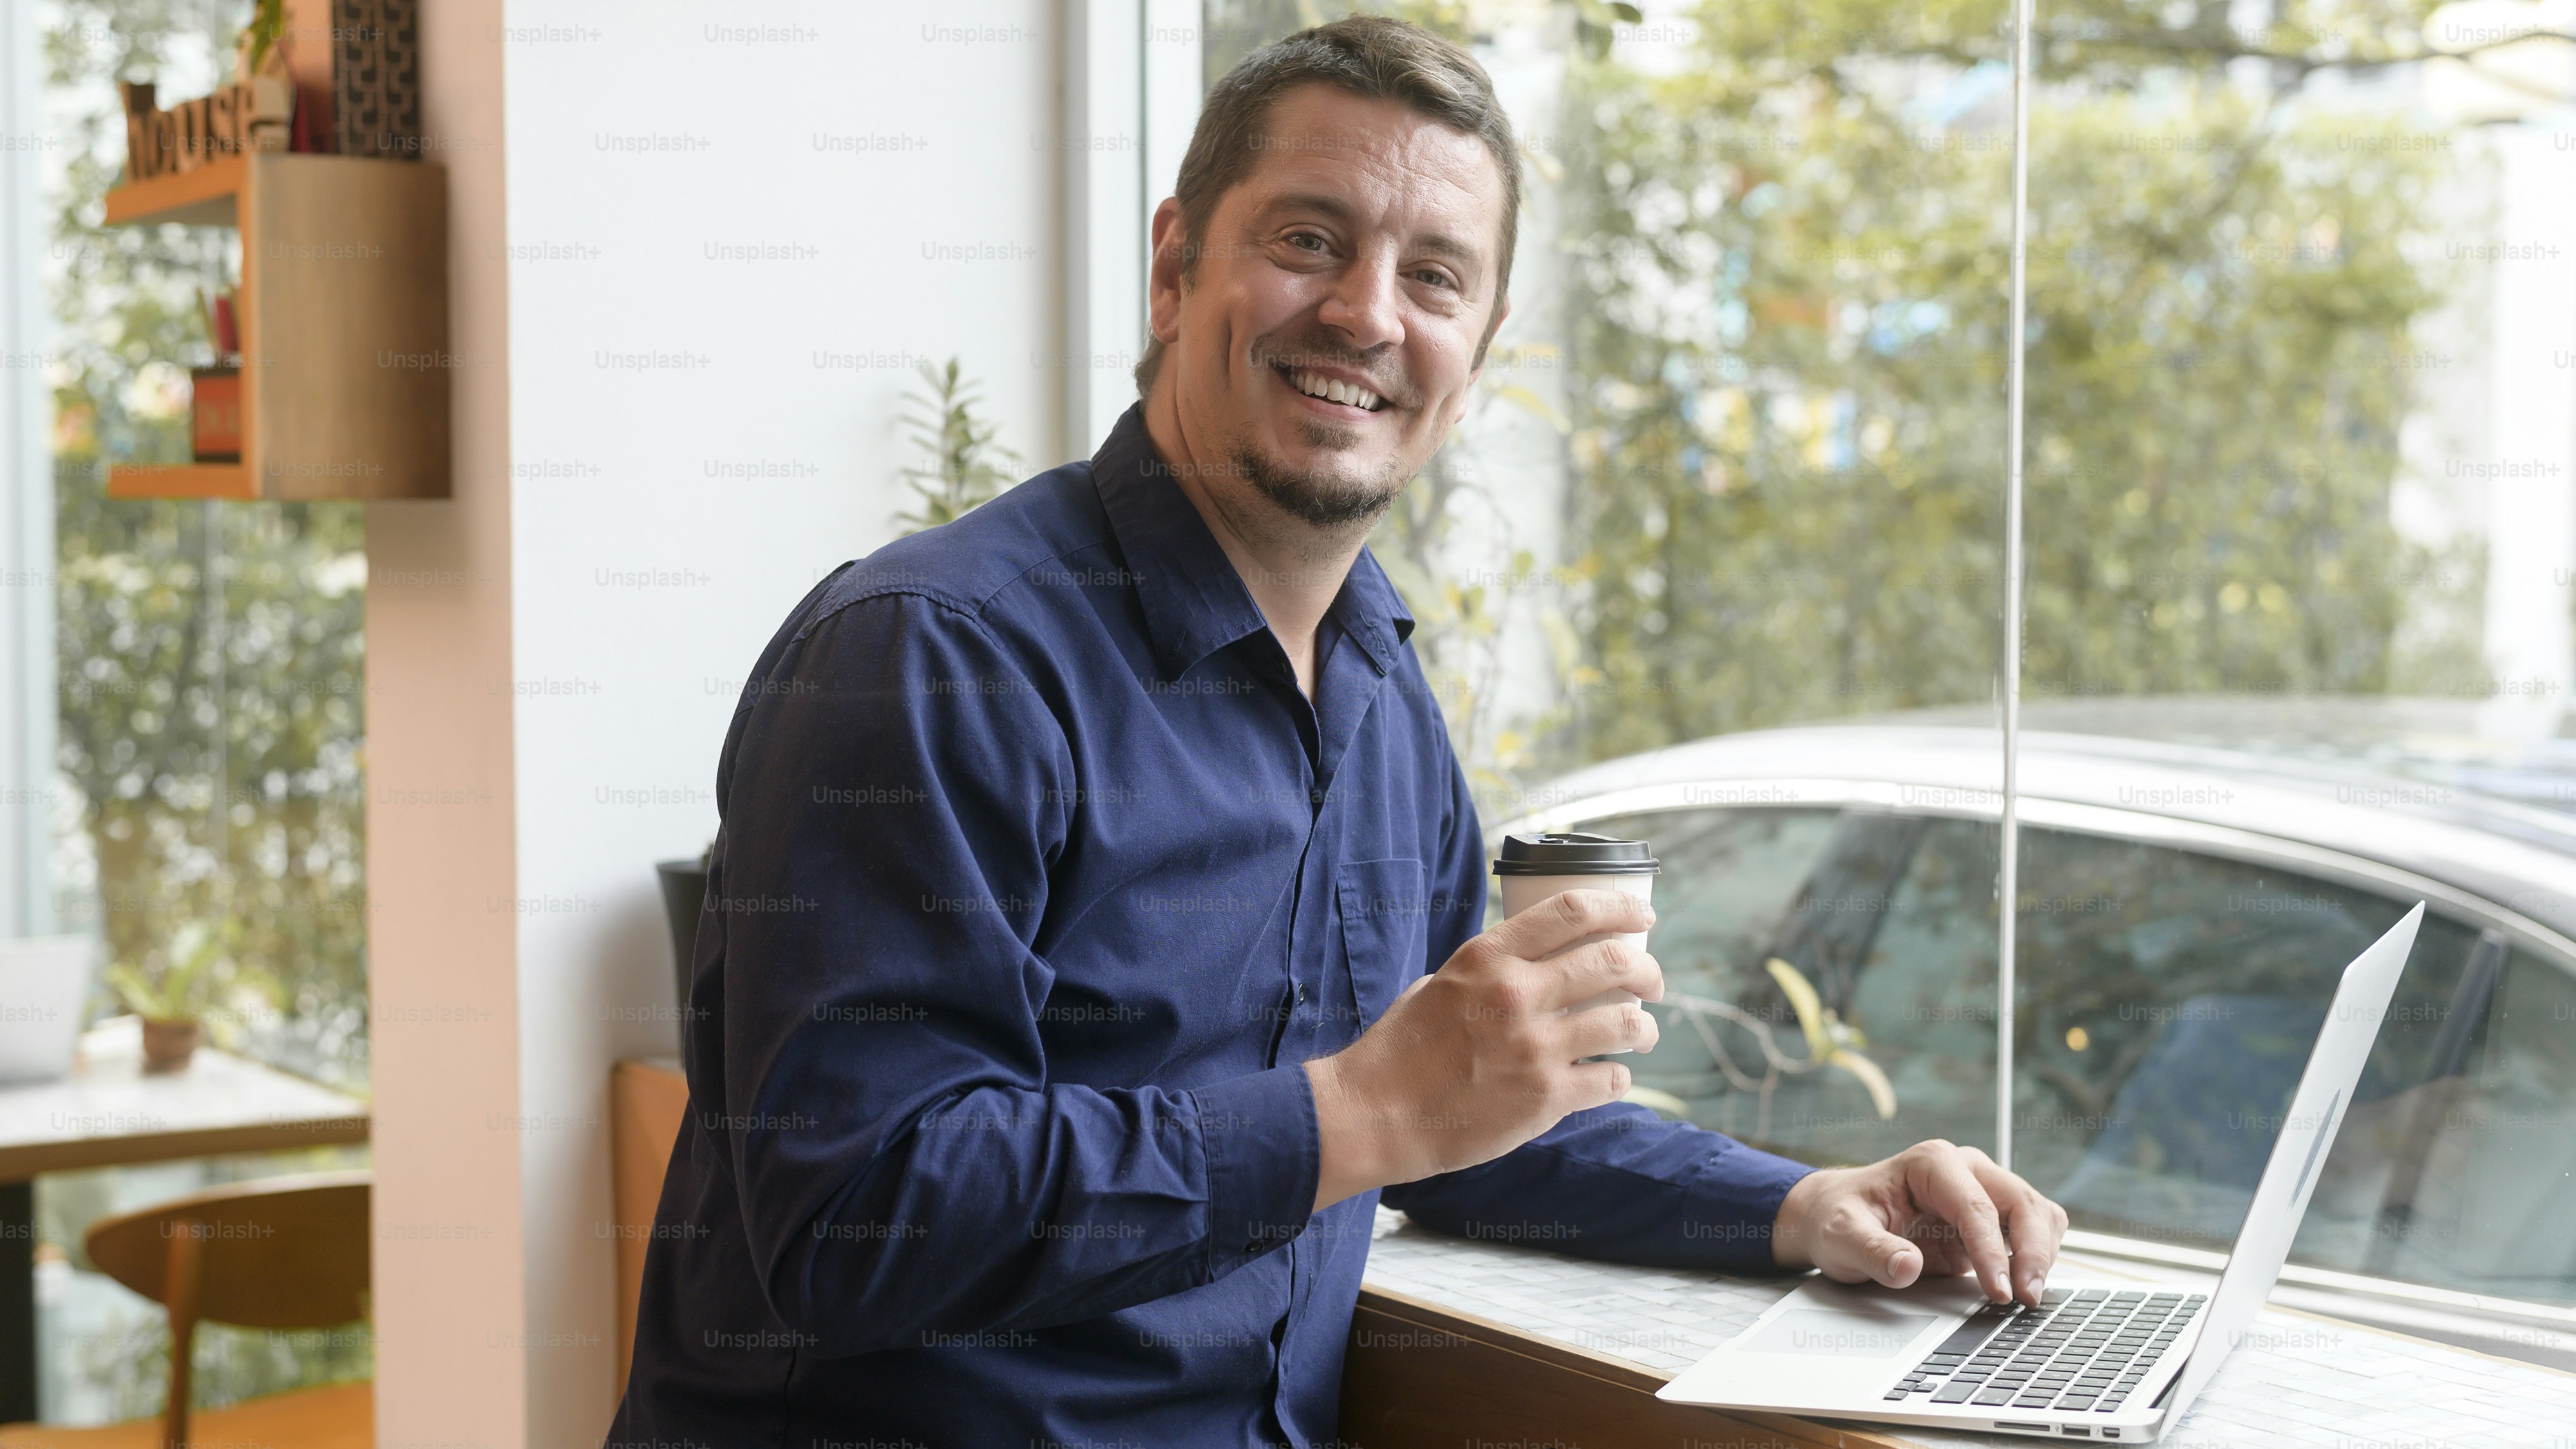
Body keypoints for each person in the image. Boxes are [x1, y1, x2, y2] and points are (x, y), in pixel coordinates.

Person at [607, 16, 2065, 1447]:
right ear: (1177, 268)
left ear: (1475, 352)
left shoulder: (1375, 688)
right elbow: (858, 1212)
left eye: (1432, 276)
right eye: (1308, 240)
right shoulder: (931, 655)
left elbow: (1463, 1100)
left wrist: (1798, 1205)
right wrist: (1355, 1113)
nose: (1367, 314)